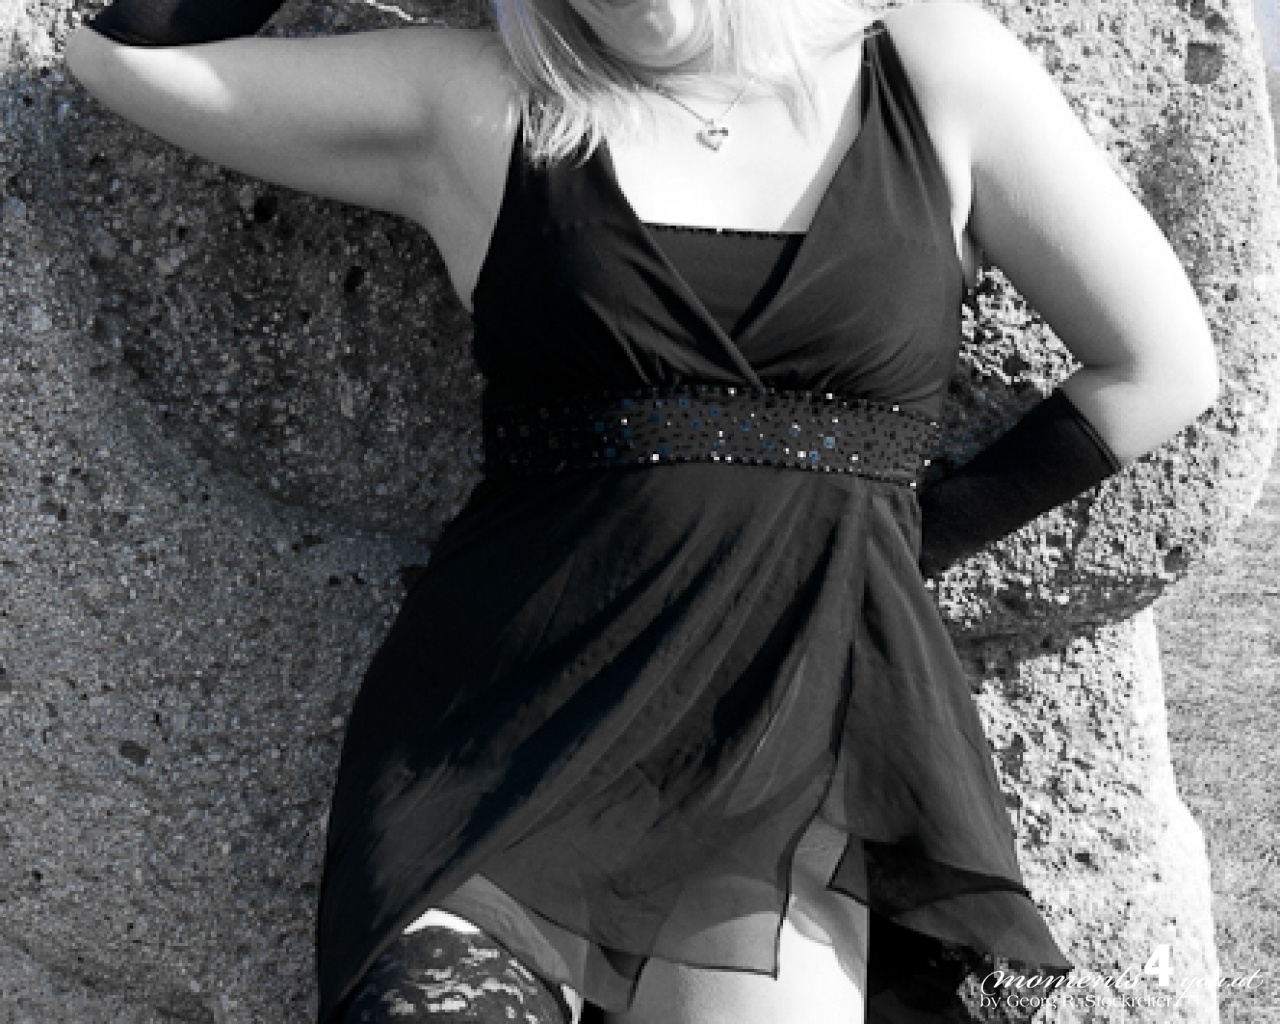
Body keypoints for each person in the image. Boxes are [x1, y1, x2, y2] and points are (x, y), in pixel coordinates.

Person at [65, 1, 1219, 1022]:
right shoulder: (479, 97)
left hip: (786, 761)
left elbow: (1159, 365)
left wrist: (901, 549)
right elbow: (123, 58)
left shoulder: (933, 68)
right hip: (499, 750)